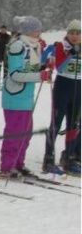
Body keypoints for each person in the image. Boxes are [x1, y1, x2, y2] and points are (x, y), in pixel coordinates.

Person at [0, 16, 52, 177]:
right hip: (15, 96)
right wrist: (39, 76)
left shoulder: (33, 45)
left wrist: (44, 67)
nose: (39, 32)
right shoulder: (18, 46)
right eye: (36, 29)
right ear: (28, 31)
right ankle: (7, 166)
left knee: (26, 134)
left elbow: (31, 68)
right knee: (15, 133)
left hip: (27, 96)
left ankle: (18, 163)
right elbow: (15, 74)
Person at [41, 19, 81, 174]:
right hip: (63, 87)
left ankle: (69, 157)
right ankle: (48, 159)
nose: (74, 36)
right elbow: (60, 67)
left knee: (73, 125)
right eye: (71, 33)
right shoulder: (61, 46)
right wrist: (71, 54)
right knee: (56, 123)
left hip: (78, 88)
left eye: (77, 33)